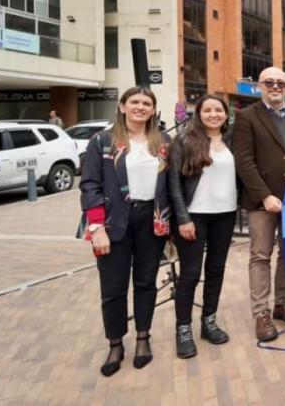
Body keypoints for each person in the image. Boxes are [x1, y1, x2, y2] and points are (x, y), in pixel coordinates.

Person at [80, 86, 171, 376]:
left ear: (153, 110)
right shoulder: (103, 141)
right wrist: (96, 227)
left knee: (145, 283)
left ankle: (143, 338)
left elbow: (171, 184)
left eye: (147, 103)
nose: (140, 107)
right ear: (122, 106)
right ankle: (115, 343)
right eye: (134, 102)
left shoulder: (162, 142)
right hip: (113, 222)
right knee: (113, 288)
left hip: (151, 220)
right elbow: (90, 184)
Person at [233, 67, 285, 342]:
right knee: (260, 256)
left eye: (280, 83)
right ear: (259, 86)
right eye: (269, 83)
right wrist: (264, 195)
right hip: (262, 202)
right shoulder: (246, 117)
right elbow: (244, 161)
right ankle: (261, 313)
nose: (275, 87)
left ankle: (281, 302)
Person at [167, 95, 237, 359]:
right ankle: (183, 330)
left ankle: (209, 321)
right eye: (207, 110)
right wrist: (182, 218)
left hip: (225, 215)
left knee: (216, 270)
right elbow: (174, 183)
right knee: (190, 274)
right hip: (194, 216)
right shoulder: (184, 140)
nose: (213, 114)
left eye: (218, 110)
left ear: (226, 114)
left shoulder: (232, 140)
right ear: (198, 113)